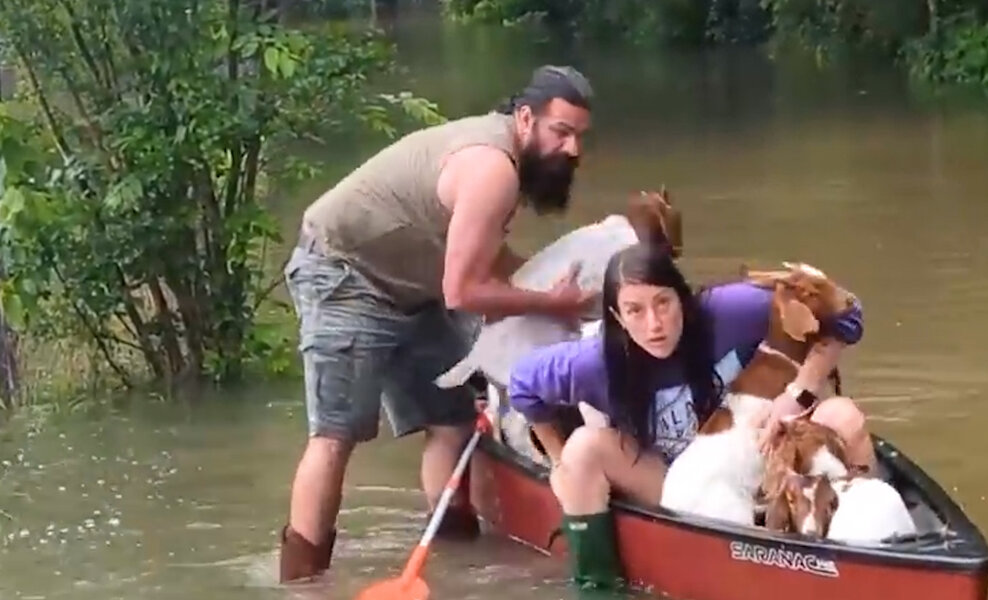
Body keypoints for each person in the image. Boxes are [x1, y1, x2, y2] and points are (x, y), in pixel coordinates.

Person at [278, 65, 599, 582]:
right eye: (560, 132)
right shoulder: (493, 170)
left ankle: (452, 561)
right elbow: (463, 292)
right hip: (342, 273)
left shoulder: (506, 161)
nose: (572, 150)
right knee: (337, 434)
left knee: (450, 418)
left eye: (579, 137)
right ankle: (302, 583)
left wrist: (558, 289)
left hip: (412, 283)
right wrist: (549, 304)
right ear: (524, 119)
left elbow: (487, 260)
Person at [505, 243, 871, 590]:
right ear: (617, 317)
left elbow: (846, 315)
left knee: (844, 416)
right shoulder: (592, 363)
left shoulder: (730, 312)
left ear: (683, 298)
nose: (654, 325)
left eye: (663, 303)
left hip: (758, 452)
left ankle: (873, 546)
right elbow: (522, 386)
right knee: (581, 451)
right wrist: (556, 462)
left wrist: (799, 392)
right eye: (635, 310)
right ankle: (598, 584)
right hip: (666, 479)